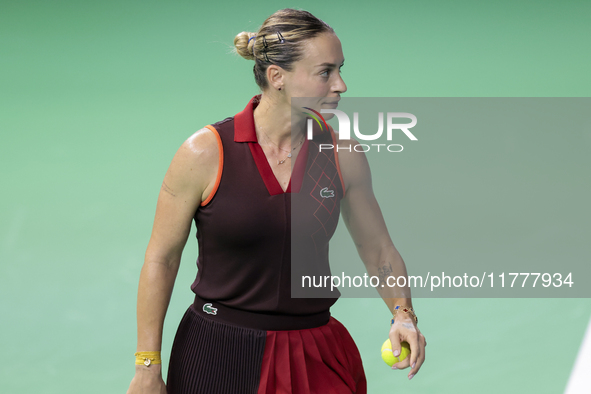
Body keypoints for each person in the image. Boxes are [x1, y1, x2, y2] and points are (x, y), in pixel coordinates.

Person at [126, 8, 426, 394]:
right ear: (277, 77)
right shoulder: (205, 153)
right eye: (325, 72)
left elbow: (378, 249)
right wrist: (147, 366)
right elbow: (161, 259)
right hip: (217, 354)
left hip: (314, 351)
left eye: (340, 70)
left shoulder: (342, 154)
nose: (341, 85)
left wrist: (403, 315)